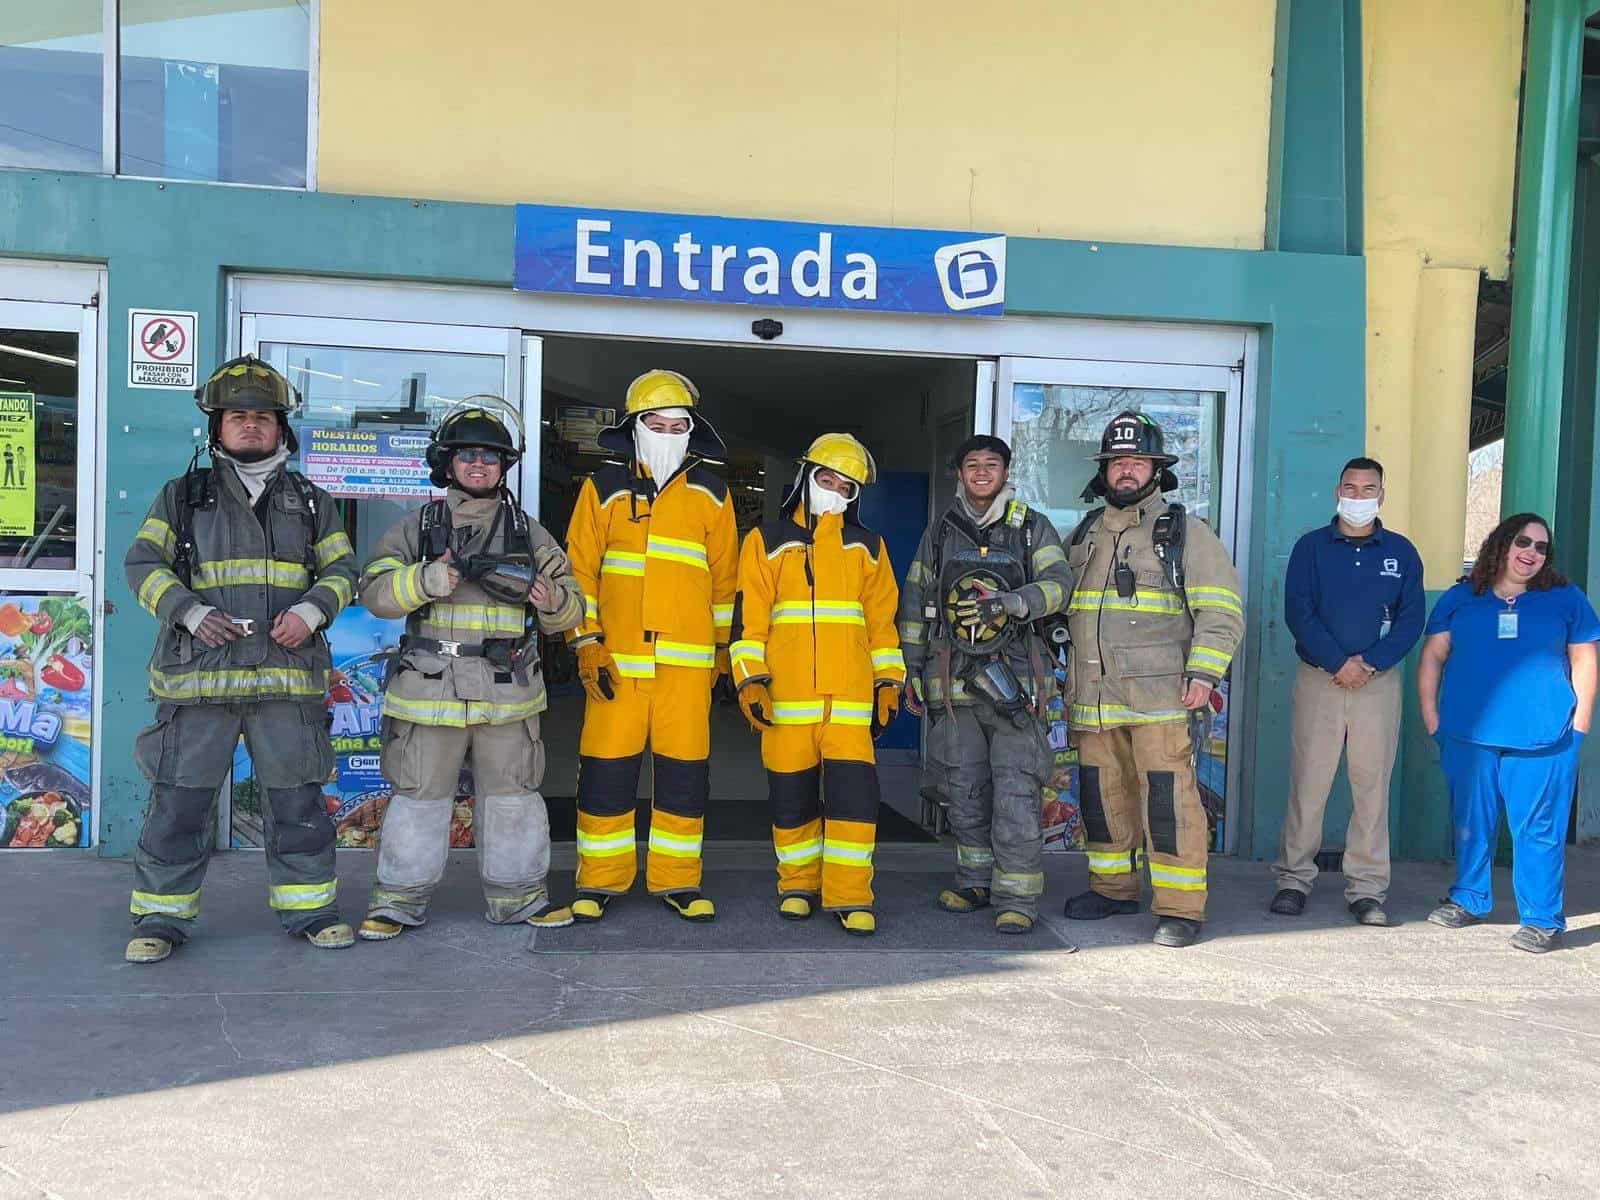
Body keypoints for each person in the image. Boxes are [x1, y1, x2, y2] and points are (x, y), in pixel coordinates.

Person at [122, 355, 358, 963]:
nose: (250, 426)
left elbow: (342, 571)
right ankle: (160, 917)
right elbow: (141, 566)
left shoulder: (312, 500)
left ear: (282, 428)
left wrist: (311, 611)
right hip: (199, 682)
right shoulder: (182, 497)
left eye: (262, 416)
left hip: (285, 683)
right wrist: (189, 612)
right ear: (216, 427)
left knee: (298, 802)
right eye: (238, 416)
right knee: (179, 801)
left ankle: (310, 909)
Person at [357, 399, 583, 940]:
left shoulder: (530, 534)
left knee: (513, 801)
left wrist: (550, 599)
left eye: (490, 457)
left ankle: (519, 899)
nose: (479, 466)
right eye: (467, 456)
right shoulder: (417, 527)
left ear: (504, 466)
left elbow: (573, 610)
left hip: (508, 694)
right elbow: (374, 593)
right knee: (419, 799)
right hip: (428, 693)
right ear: (447, 462)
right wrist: (423, 582)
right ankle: (399, 904)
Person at [1061, 411, 1243, 948]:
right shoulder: (1085, 533)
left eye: (1137, 461)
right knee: (1101, 797)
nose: (1126, 471)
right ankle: (1112, 889)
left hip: (1161, 698)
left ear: (1156, 470)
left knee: (1167, 803)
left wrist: (1205, 673)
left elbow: (1223, 611)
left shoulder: (1186, 533)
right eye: (1117, 461)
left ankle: (1181, 907)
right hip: (1093, 699)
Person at [564, 369, 738, 923]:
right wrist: (585, 642)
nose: (667, 433)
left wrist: (718, 653)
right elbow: (579, 573)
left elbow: (725, 581)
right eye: (656, 424)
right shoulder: (602, 488)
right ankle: (599, 881)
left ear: (692, 432)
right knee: (605, 775)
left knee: (685, 778)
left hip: (686, 673)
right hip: (614, 666)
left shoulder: (713, 494)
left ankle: (678, 881)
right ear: (634, 428)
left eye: (677, 425)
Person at [897, 434, 1071, 935]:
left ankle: (1016, 896)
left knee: (1015, 790)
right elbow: (914, 606)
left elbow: (1061, 585)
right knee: (964, 789)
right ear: (958, 473)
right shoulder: (939, 534)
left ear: (1005, 472)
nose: (980, 473)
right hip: (953, 688)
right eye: (971, 464)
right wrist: (912, 669)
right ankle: (974, 880)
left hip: (1017, 687)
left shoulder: (1031, 528)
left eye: (990, 465)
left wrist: (1017, 602)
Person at [732, 434, 903, 935]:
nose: (833, 490)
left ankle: (851, 896)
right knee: (791, 801)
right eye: (825, 479)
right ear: (805, 479)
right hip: (786, 701)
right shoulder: (765, 540)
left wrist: (888, 681)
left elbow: (882, 624)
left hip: (849, 703)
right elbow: (749, 622)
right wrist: (750, 681)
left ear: (855, 496)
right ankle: (797, 887)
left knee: (855, 805)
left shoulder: (869, 548)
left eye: (845, 486)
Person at [1418, 513, 1598, 953]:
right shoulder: (1462, 597)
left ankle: (1541, 919)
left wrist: (1580, 726)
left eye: (1541, 547)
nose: (1531, 553)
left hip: (1544, 739)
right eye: (1523, 541)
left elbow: (1585, 661)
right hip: (1468, 735)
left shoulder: (1566, 599)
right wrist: (1431, 717)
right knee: (1469, 823)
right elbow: (1433, 656)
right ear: (1501, 544)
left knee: (1538, 829)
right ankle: (1469, 898)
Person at [1271, 457, 1424, 926]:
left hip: (1378, 684)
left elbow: (1410, 620)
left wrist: (1370, 663)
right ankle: (1293, 880)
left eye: (1368, 488)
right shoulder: (1311, 548)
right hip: (1320, 679)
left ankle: (1367, 889)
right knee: (1309, 783)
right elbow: (1299, 611)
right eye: (1351, 488)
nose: (1358, 497)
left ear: (1383, 494)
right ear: (1337, 490)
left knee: (1372, 786)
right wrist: (1339, 662)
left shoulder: (1400, 551)